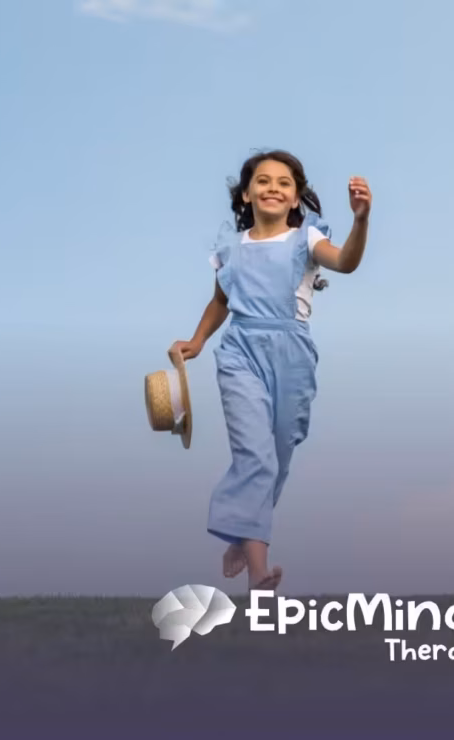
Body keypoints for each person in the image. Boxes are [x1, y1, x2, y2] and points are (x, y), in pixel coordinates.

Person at [168, 150, 372, 592]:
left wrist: (360, 220)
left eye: (284, 182)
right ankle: (260, 573)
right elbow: (221, 301)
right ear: (247, 193)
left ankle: (243, 534)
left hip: (293, 354)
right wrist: (199, 340)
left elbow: (347, 262)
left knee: (278, 457)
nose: (273, 187)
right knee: (254, 456)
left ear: (296, 197)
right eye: (263, 181)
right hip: (241, 350)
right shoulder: (231, 248)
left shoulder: (308, 240)